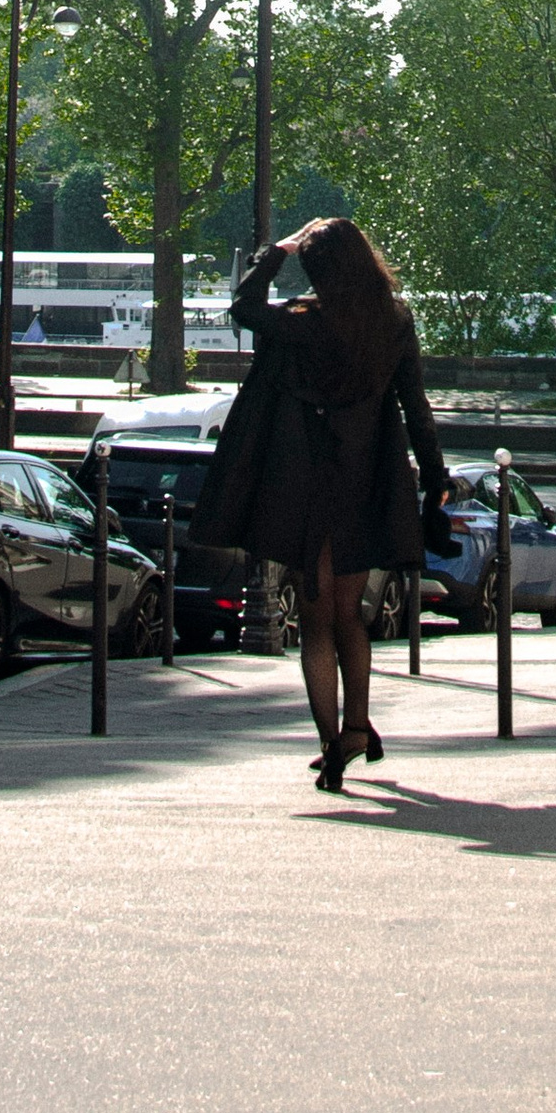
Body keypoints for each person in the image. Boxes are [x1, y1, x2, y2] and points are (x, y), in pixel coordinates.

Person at [229, 218, 450, 793]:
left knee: (315, 618)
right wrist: (436, 477)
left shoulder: (305, 323)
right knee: (349, 612)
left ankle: (333, 740)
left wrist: (274, 254)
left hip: (308, 481)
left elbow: (245, 308)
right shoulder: (394, 323)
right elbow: (416, 408)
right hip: (367, 483)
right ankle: (356, 725)